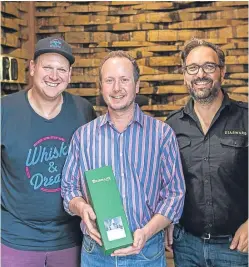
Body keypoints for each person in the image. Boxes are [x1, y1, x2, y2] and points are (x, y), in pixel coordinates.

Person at [61, 50, 186, 267]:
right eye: (109, 80)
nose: (117, 88)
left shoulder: (161, 134)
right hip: (96, 253)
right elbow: (69, 189)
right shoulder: (83, 136)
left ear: (137, 86)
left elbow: (174, 195)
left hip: (146, 252)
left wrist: (147, 232)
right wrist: (82, 208)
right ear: (101, 87)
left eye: (124, 80)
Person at [1, 37, 96, 267]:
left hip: (70, 239)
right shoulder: (4, 110)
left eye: (61, 69)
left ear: (70, 74)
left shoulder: (83, 111)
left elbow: (94, 168)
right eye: (47, 67)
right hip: (14, 239)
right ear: (32, 68)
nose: (54, 76)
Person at [165, 38, 248, 266]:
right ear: (184, 75)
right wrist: (168, 219)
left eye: (209, 67)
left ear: (222, 72)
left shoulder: (246, 118)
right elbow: (167, 182)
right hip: (187, 246)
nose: (200, 74)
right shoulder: (172, 125)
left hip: (236, 248)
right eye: (192, 68)